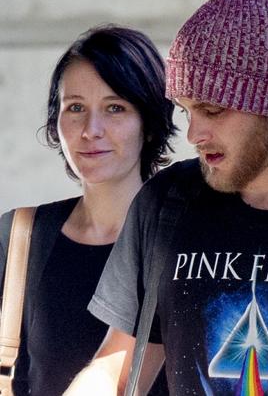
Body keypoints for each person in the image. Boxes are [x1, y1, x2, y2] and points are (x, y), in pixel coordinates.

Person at [64, 0, 268, 396]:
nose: (195, 133)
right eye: (186, 110)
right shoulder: (167, 202)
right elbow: (118, 371)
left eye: (212, 110)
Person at [0, 25, 176, 396]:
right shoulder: (19, 235)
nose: (91, 129)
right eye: (75, 107)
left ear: (147, 123)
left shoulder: (185, 240)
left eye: (115, 108)